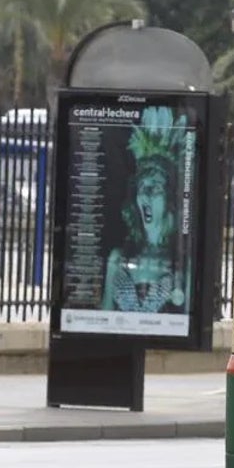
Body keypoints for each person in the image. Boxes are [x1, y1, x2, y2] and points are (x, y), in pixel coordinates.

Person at [100, 106, 189, 313]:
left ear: (169, 199)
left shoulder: (182, 262)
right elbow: (104, 312)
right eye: (142, 187)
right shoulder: (118, 257)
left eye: (155, 187)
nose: (146, 193)